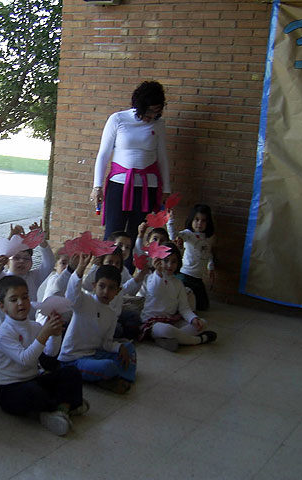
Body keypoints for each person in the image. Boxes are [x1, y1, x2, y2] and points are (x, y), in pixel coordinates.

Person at [0, 276, 87, 436]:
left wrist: (55, 335)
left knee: (71, 372)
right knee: (33, 392)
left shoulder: (34, 326)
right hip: (9, 389)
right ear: (3, 307)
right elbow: (25, 359)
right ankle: (59, 407)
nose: (21, 303)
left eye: (25, 297)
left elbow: (49, 354)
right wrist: (44, 334)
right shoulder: (3, 333)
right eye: (14, 300)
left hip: (33, 379)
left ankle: (61, 409)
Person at [90, 80, 171, 244]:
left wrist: (166, 189)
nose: (153, 116)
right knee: (113, 233)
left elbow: (162, 157)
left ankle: (128, 269)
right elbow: (104, 154)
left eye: (157, 111)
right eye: (149, 111)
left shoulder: (159, 124)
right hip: (118, 185)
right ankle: (108, 268)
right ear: (140, 106)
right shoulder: (118, 119)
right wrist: (97, 187)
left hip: (147, 187)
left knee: (136, 234)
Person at [59, 254, 137, 394]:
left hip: (94, 354)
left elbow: (106, 344)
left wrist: (119, 347)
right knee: (108, 366)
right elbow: (71, 294)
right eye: (102, 286)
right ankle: (109, 378)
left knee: (129, 349)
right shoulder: (83, 301)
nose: (106, 291)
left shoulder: (112, 314)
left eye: (111, 288)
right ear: (94, 286)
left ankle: (120, 378)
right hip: (73, 359)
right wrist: (81, 268)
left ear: (118, 291)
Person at [139, 242, 217, 352]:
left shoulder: (178, 283)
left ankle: (168, 340)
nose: (170, 265)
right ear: (159, 261)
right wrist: (158, 274)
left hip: (171, 321)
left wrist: (193, 319)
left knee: (202, 323)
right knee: (167, 330)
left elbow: (184, 308)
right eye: (166, 261)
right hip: (152, 323)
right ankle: (199, 340)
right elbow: (155, 290)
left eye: (174, 262)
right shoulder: (152, 278)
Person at [0, 222, 55, 327]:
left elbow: (50, 263)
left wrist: (41, 241)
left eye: (26, 258)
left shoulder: (34, 277)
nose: (21, 261)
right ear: (7, 262)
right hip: (3, 328)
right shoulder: (2, 278)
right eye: (16, 258)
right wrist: (9, 240)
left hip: (29, 327)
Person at [168, 204, 216, 311]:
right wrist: (171, 220)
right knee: (183, 302)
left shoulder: (209, 238)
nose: (199, 223)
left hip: (198, 278)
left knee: (203, 306)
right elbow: (173, 235)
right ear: (191, 220)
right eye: (197, 219)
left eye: (203, 220)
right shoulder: (188, 234)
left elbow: (208, 253)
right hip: (185, 275)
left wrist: (211, 267)